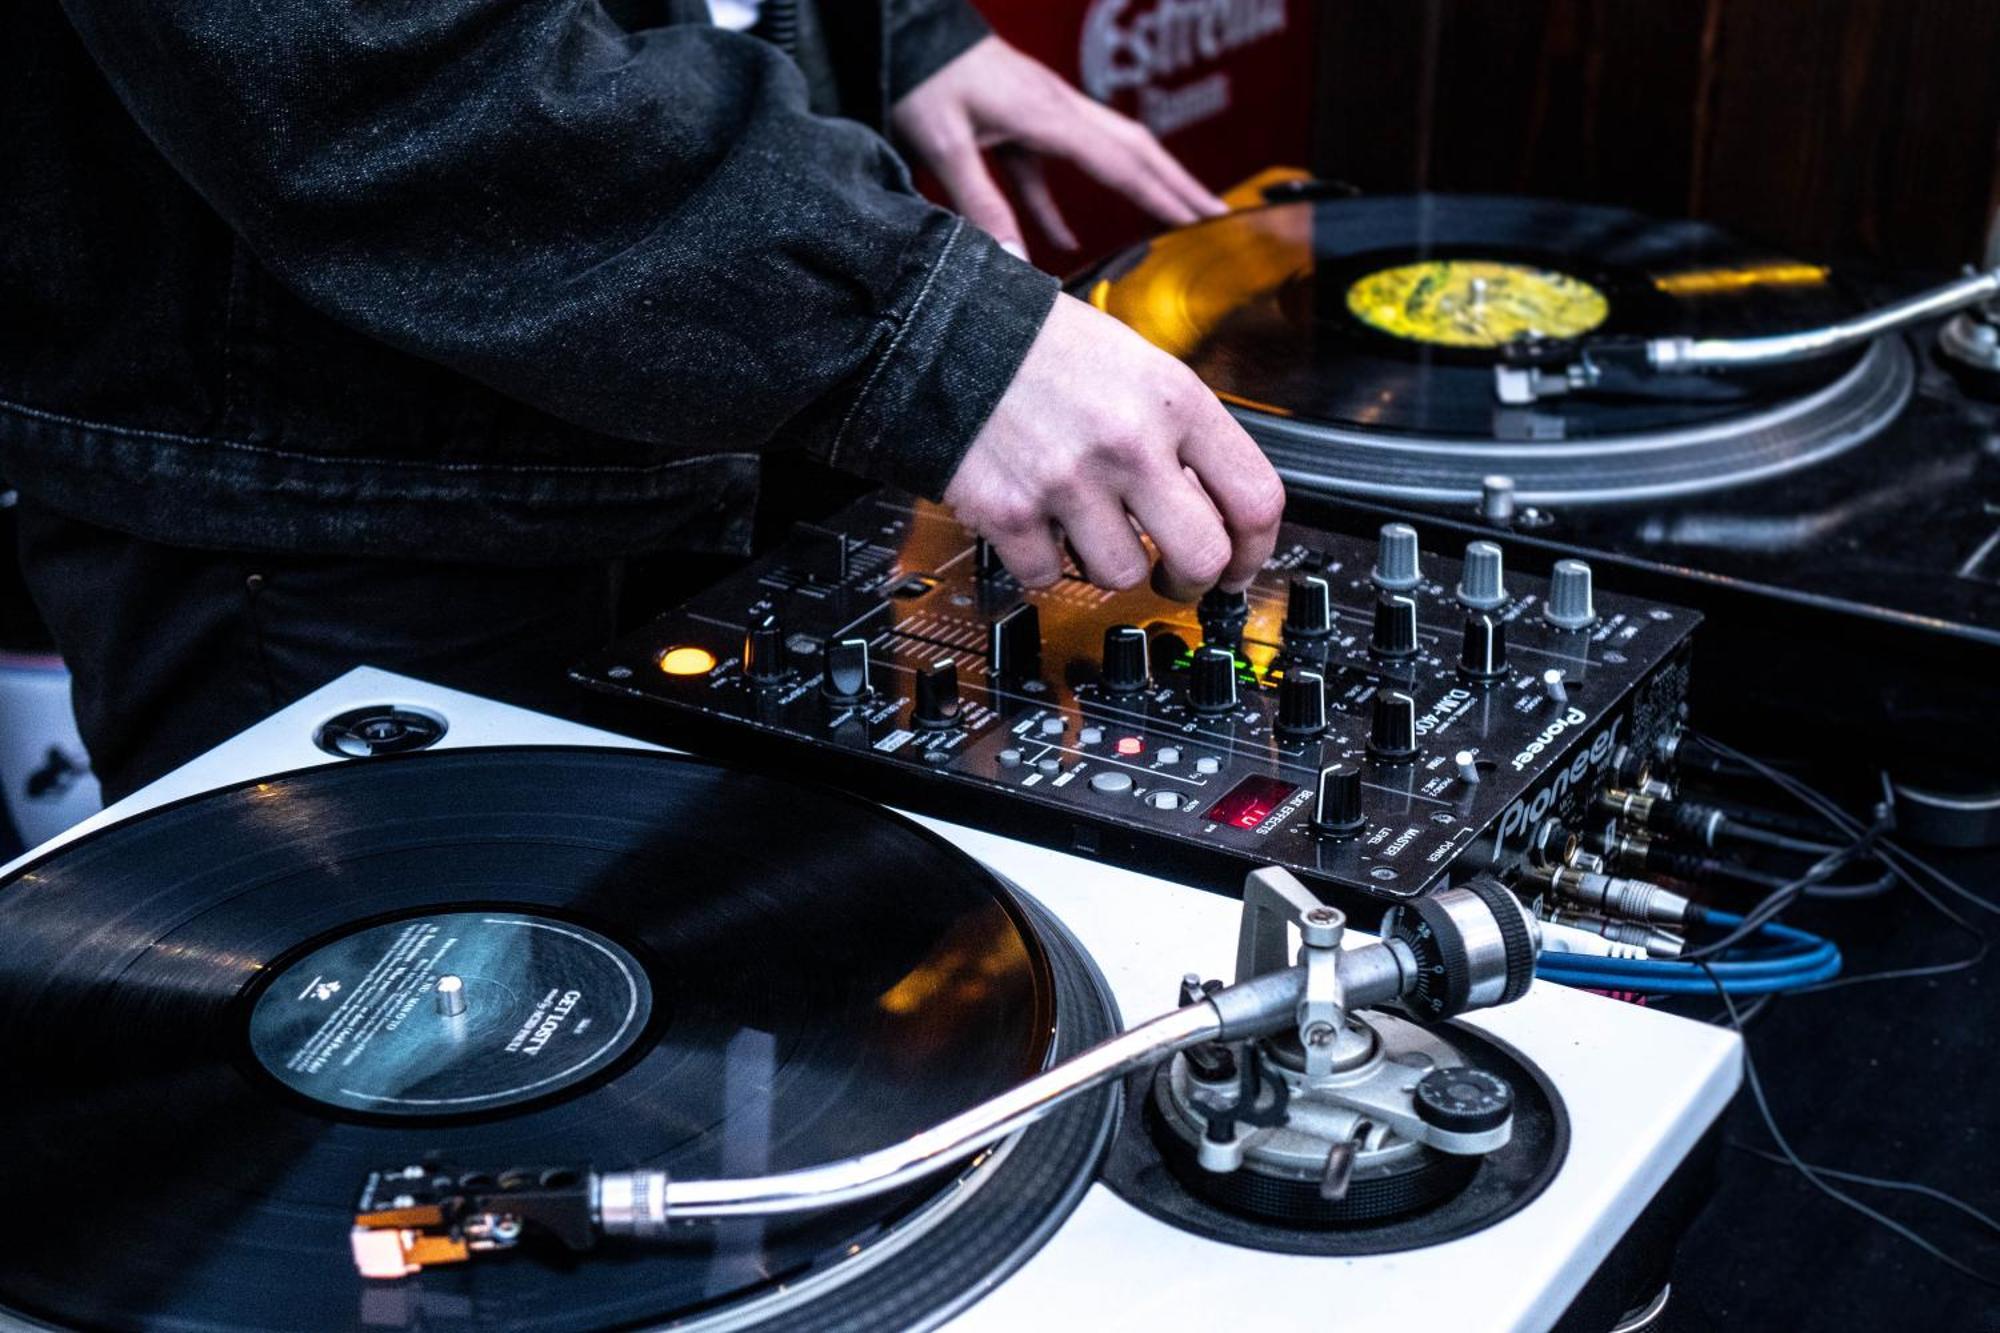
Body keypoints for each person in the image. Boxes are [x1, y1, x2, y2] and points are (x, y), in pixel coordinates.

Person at [0, 0, 1284, 801]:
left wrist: (888, 28)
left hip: (725, 413)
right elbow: (351, 56)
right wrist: (924, 326)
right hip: (363, 516)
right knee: (392, 1144)